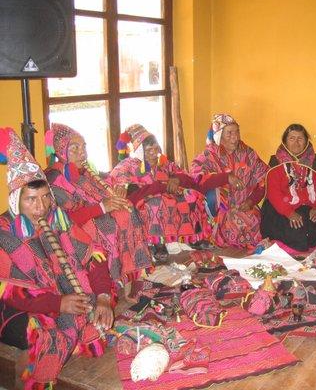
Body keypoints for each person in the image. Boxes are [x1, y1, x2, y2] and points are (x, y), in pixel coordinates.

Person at [0, 128, 113, 388]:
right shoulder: (6, 235)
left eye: (45, 198)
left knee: (96, 304)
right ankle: (38, 378)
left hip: (59, 293)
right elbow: (9, 292)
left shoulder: (57, 219)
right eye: (31, 200)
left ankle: (75, 342)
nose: (40, 207)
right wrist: (59, 303)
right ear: (17, 201)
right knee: (56, 326)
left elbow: (94, 255)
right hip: (14, 308)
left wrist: (104, 297)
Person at [45, 123, 153, 288]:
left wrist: (120, 188)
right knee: (109, 224)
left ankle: (129, 279)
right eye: (75, 148)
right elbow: (62, 220)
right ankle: (108, 285)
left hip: (92, 216)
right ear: (60, 151)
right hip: (70, 231)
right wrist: (102, 208)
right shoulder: (54, 179)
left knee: (128, 209)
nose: (83, 153)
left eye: (84, 147)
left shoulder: (82, 170)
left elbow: (108, 178)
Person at [110, 124, 210, 255]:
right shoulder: (127, 166)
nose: (153, 154)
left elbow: (188, 178)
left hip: (169, 197)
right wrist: (157, 187)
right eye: (148, 150)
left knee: (191, 196)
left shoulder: (164, 163)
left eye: (155, 148)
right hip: (143, 201)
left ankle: (193, 237)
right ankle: (157, 243)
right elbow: (122, 188)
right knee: (157, 203)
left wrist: (177, 179)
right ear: (139, 151)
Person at [190, 114, 268, 249]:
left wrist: (251, 201)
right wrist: (225, 178)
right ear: (218, 135)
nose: (235, 137)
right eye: (229, 133)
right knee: (228, 220)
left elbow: (264, 180)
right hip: (219, 210)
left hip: (244, 205)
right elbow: (196, 178)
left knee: (253, 221)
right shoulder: (210, 154)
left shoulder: (248, 153)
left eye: (237, 132)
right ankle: (209, 234)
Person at [260, 123, 316, 252]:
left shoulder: (313, 161)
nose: (296, 143)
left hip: (308, 207)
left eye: (300, 139)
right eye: (292, 138)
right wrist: (289, 213)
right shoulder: (276, 161)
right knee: (296, 233)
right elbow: (274, 194)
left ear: (306, 142)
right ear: (285, 141)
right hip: (282, 209)